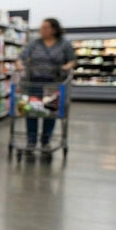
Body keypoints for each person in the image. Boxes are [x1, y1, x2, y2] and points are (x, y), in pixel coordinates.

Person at [16, 18, 75, 149]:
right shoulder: (34, 43)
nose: (41, 30)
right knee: (31, 111)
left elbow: (72, 60)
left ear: (53, 29)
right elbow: (22, 57)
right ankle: (31, 141)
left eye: (45, 27)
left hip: (53, 84)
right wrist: (20, 65)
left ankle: (45, 141)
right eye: (41, 27)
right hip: (33, 82)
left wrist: (67, 66)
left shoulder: (64, 44)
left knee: (50, 114)